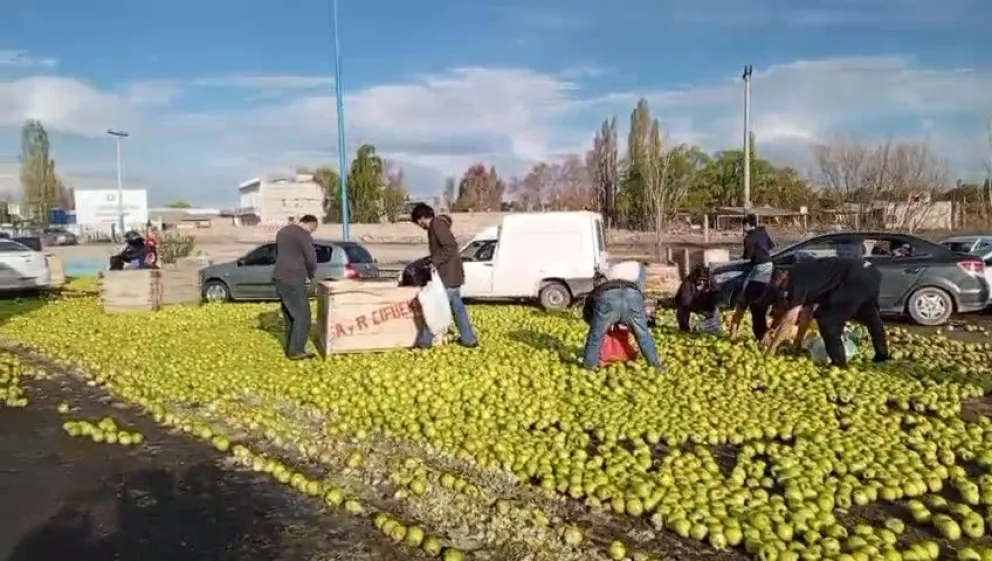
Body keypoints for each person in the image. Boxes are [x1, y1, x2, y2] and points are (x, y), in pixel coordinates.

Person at [762, 257, 890, 367]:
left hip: (855, 278)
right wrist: (798, 342)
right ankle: (882, 354)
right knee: (869, 313)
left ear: (784, 276)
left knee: (828, 321)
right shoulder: (804, 273)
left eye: (781, 286)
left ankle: (839, 364)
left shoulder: (796, 282)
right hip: (871, 272)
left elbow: (789, 319)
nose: (783, 290)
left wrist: (772, 349)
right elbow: (807, 313)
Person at [410, 203, 479, 348]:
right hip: (453, 275)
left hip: (447, 276)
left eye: (418, 222)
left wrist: (435, 261)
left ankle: (425, 342)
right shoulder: (439, 225)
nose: (420, 226)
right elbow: (445, 249)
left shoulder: (437, 225)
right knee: (458, 308)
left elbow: (450, 246)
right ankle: (469, 339)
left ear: (422, 218)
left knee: (434, 308)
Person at [581, 261, 661, 370]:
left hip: (609, 299)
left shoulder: (595, 293)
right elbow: (640, 300)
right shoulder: (625, 277)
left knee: (595, 337)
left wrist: (600, 325)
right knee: (643, 335)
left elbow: (591, 318)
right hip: (634, 297)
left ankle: (589, 367)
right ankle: (656, 367)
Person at [273, 214, 319, 360]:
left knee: (289, 314)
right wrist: (312, 274)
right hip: (293, 277)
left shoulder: (282, 232)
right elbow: (311, 257)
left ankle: (290, 348)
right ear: (311, 224)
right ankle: (297, 351)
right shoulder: (303, 235)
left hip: (279, 276)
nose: (311, 233)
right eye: (313, 230)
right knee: (303, 315)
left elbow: (280, 254)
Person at [732, 213, 776, 338]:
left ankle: (737, 331)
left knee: (750, 296)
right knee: (760, 294)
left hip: (759, 268)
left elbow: (747, 256)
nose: (743, 228)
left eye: (743, 225)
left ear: (747, 225)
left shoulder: (749, 238)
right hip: (769, 265)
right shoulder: (763, 233)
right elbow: (771, 246)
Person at [675, 264, 723, 334]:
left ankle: (704, 327)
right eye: (700, 280)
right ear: (695, 278)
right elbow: (685, 302)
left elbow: (717, 292)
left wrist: (711, 297)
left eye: (704, 280)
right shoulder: (687, 284)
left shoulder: (710, 281)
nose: (702, 282)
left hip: (702, 302)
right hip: (688, 303)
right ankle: (684, 329)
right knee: (683, 310)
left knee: (715, 311)